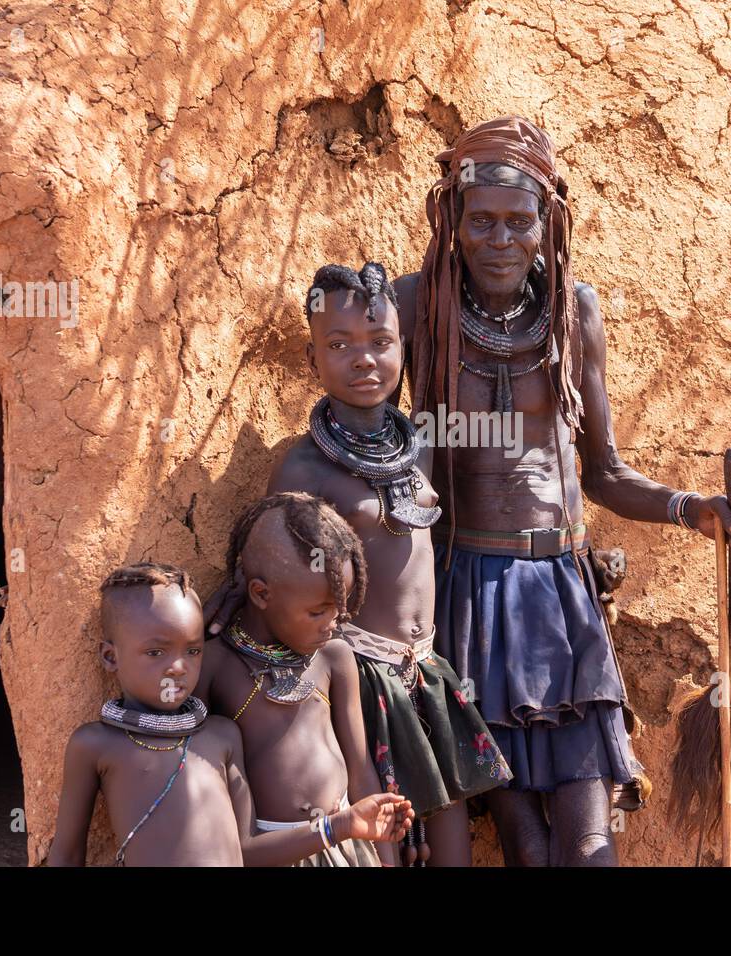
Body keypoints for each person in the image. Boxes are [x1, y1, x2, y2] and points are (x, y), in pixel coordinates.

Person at [388, 116, 731, 866]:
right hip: (469, 589)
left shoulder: (575, 312)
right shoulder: (414, 308)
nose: (501, 239)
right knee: (528, 847)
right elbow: (387, 448)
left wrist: (696, 512)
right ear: (452, 220)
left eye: (520, 221)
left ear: (550, 223)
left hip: (561, 596)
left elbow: (603, 472)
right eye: (482, 221)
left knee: (590, 841)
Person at [267, 261, 510, 866]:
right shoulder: (303, 471)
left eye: (380, 343)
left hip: (426, 673)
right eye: (339, 345)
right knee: (386, 843)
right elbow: (272, 576)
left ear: (402, 347)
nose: (364, 359)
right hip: (359, 680)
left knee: (452, 844)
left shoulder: (422, 446)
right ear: (311, 358)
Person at [49, 561, 413, 866]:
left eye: (192, 651)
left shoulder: (220, 736)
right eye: (157, 653)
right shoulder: (96, 744)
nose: (178, 667)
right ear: (111, 656)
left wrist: (342, 825)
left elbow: (248, 851)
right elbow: (66, 854)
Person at [195, 492, 414, 866]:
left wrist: (386, 859)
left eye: (340, 608)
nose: (334, 621)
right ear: (261, 594)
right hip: (274, 851)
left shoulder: (333, 657)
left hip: (350, 845)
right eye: (318, 611)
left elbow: (361, 770)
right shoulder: (217, 665)